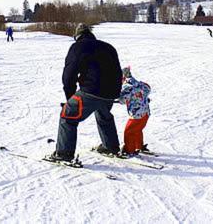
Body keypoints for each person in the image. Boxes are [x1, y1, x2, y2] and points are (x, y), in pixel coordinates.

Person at [47, 24, 123, 163]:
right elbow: (118, 71)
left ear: (77, 36)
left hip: (91, 90)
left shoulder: (78, 46)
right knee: (104, 115)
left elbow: (69, 75)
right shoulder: (108, 46)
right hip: (111, 92)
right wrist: (115, 92)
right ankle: (111, 147)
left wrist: (70, 99)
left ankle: (63, 154)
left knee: (68, 115)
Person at [119, 67, 151, 155]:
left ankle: (129, 150)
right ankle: (139, 146)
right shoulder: (140, 84)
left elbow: (122, 100)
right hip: (146, 112)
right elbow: (148, 88)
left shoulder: (127, 87)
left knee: (129, 131)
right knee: (137, 129)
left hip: (136, 115)